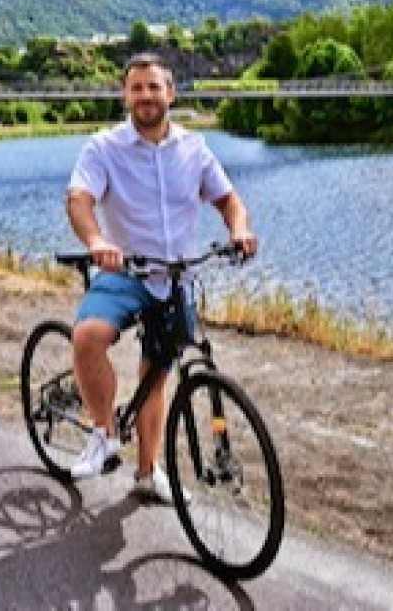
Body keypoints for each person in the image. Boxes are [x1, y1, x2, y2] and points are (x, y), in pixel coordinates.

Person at [65, 52, 257, 502]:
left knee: (156, 374)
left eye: (154, 87)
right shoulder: (103, 147)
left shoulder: (194, 148)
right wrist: (96, 241)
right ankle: (103, 433)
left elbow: (228, 200)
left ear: (171, 93)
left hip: (176, 278)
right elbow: (79, 200)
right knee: (88, 337)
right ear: (125, 95)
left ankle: (148, 474)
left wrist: (239, 230)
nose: (146, 96)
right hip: (125, 270)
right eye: (137, 88)